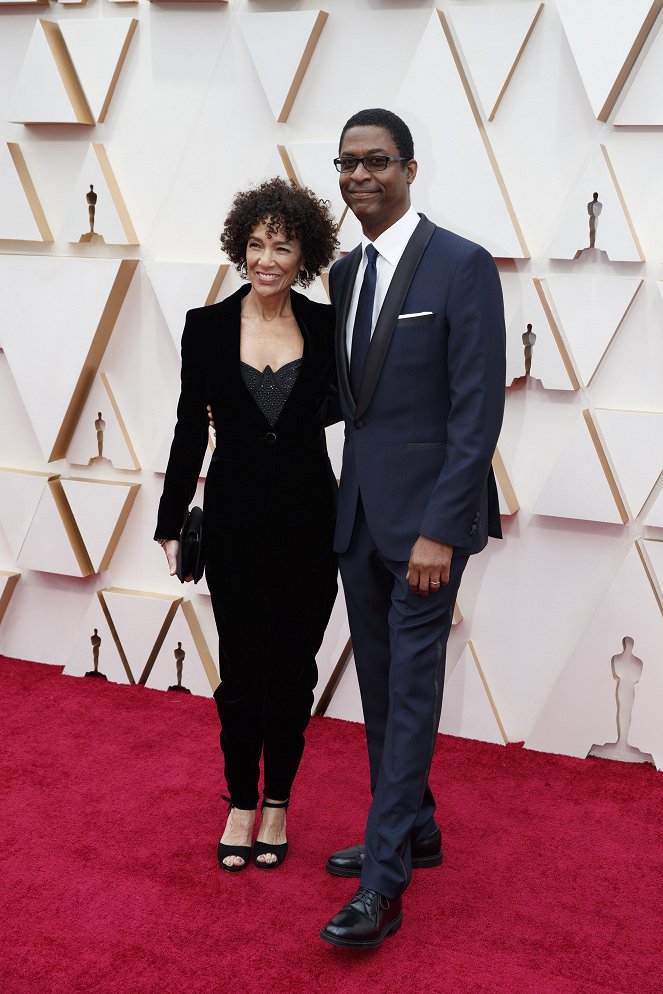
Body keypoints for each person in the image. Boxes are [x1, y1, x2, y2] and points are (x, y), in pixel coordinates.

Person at [319, 109, 506, 948]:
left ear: (410, 168)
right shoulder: (343, 273)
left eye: (376, 161)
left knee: (411, 692)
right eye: (347, 163)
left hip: (428, 528)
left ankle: (383, 883)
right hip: (358, 519)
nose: (360, 176)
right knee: (382, 688)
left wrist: (440, 528)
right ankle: (413, 829)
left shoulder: (462, 265)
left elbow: (477, 409)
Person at [154, 178, 339, 872]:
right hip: (231, 526)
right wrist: (171, 521)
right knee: (240, 673)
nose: (267, 258)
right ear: (241, 248)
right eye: (257, 243)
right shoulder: (206, 326)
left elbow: (359, 406)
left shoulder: (325, 325)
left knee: (293, 672)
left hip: (310, 525)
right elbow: (185, 430)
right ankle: (239, 800)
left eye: (282, 245)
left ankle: (281, 801)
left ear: (304, 255)